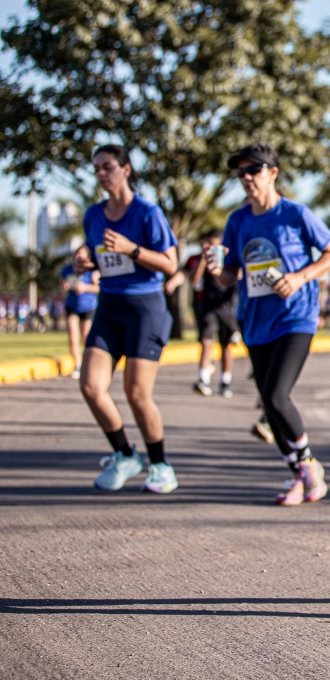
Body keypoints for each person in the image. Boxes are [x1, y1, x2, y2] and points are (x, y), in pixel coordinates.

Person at [207, 143, 330, 505]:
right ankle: (300, 475)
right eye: (241, 173)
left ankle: (308, 465)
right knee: (269, 405)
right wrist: (217, 271)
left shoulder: (296, 214)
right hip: (255, 320)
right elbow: (231, 275)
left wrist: (299, 278)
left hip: (296, 316)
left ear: (273, 173)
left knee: (276, 396)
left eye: (254, 170)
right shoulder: (238, 221)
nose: (247, 178)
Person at [76, 145, 180, 494]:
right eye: (96, 169)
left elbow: (170, 264)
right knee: (91, 387)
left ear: (126, 169)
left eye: (107, 167)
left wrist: (131, 249)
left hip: (144, 307)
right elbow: (94, 252)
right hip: (108, 306)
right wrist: (83, 259)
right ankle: (125, 455)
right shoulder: (94, 214)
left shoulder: (148, 213)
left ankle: (161, 466)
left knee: (136, 393)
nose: (101, 174)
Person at [175, 229, 238, 398]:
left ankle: (225, 381)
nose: (211, 247)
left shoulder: (229, 258)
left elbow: (236, 279)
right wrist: (204, 260)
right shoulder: (197, 259)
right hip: (206, 305)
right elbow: (193, 279)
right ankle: (204, 379)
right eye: (208, 243)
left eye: (215, 244)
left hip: (225, 306)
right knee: (206, 341)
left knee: (226, 345)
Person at [61, 245, 100, 381]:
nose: (79, 257)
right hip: (72, 306)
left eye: (82, 254)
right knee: (73, 337)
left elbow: (98, 288)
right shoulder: (67, 270)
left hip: (88, 306)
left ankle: (88, 365)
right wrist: (65, 287)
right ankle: (77, 365)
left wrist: (85, 288)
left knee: (85, 338)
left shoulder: (92, 271)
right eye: (77, 254)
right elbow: (62, 289)